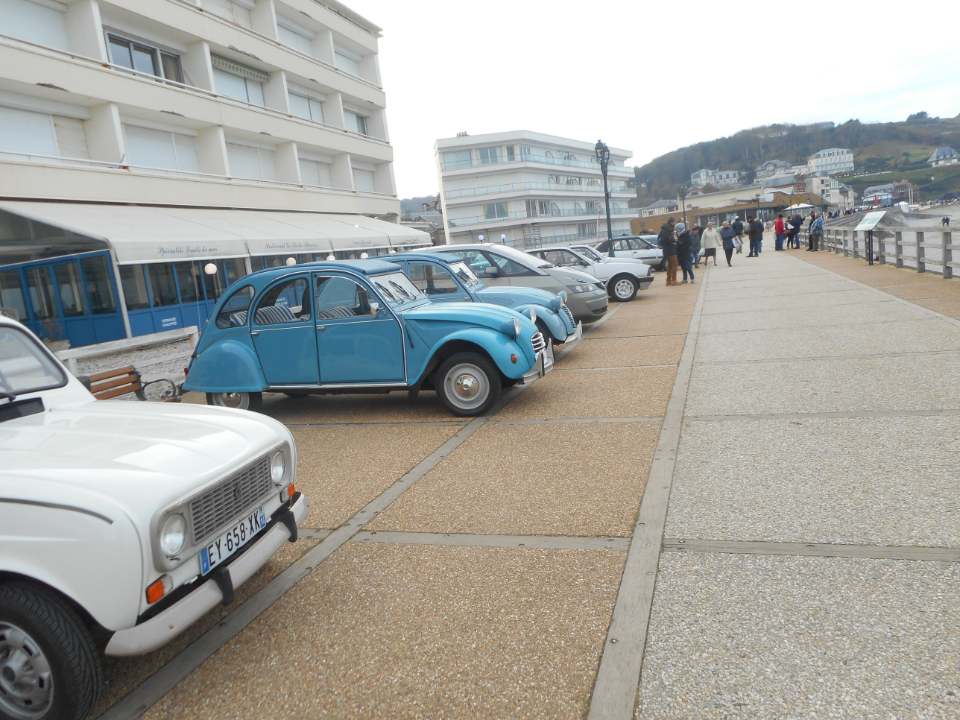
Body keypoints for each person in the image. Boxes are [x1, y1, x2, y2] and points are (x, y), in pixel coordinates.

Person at [658, 218, 679, 286]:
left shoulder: (663, 229)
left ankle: (668, 281)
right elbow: (669, 239)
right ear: (671, 222)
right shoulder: (669, 229)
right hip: (671, 250)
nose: (675, 224)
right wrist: (674, 240)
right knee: (675, 265)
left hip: (666, 250)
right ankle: (674, 280)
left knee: (670, 266)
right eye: (674, 222)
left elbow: (660, 239)